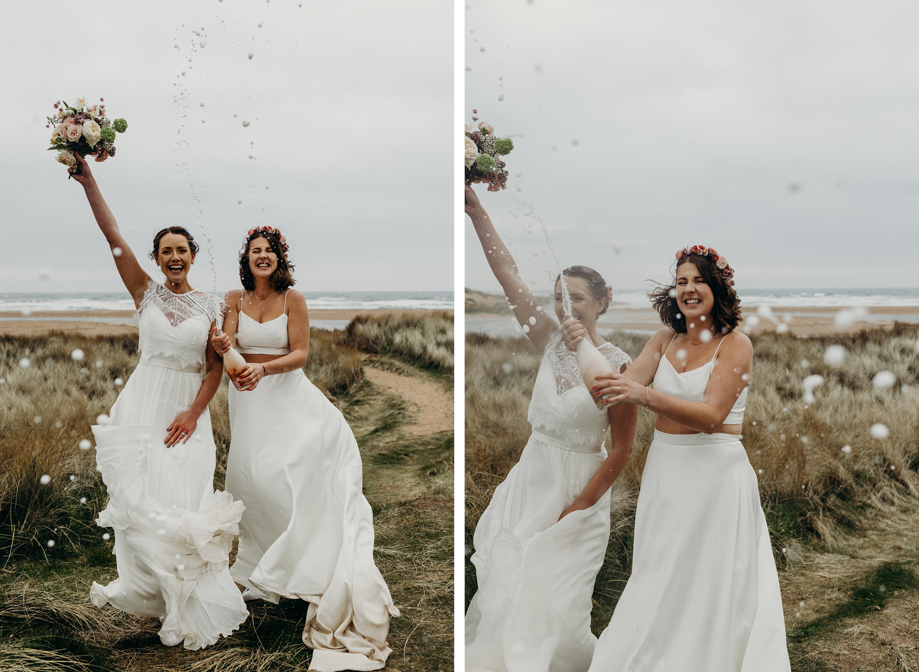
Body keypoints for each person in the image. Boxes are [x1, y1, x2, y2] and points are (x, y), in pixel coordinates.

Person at [568, 245, 791, 671]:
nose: (689, 289)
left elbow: (711, 417)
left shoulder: (736, 344)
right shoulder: (663, 340)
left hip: (717, 475)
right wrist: (586, 345)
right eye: (682, 281)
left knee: (710, 575)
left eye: (698, 280)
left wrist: (643, 394)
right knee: (660, 569)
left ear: (717, 288)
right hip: (666, 470)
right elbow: (612, 391)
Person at [69, 153, 248, 649]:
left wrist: (193, 412)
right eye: (165, 250)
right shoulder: (143, 293)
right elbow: (113, 237)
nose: (174, 257)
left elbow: (216, 368)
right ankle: (152, 598)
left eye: (182, 250)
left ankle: (185, 602)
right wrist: (89, 183)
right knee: (139, 500)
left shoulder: (215, 306)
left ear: (193, 256)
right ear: (156, 257)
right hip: (141, 405)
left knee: (182, 497)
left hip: (186, 411)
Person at [464, 185, 638, 672]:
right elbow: (507, 273)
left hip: (582, 488)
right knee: (513, 589)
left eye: (578, 298)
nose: (568, 307)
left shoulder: (621, 365)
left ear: (603, 302)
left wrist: (579, 507)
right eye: (561, 298)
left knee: (561, 598)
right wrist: (478, 213)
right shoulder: (546, 340)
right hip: (533, 476)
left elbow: (621, 450)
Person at [212, 226, 398, 672]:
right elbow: (229, 345)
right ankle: (266, 566)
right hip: (247, 401)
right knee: (248, 479)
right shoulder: (233, 299)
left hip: (288, 397)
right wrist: (223, 349)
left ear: (280, 258)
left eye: (269, 251)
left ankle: (305, 562)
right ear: (247, 258)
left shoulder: (293, 299)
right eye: (256, 251)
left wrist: (265, 371)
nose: (263, 256)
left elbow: (300, 354)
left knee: (284, 475)